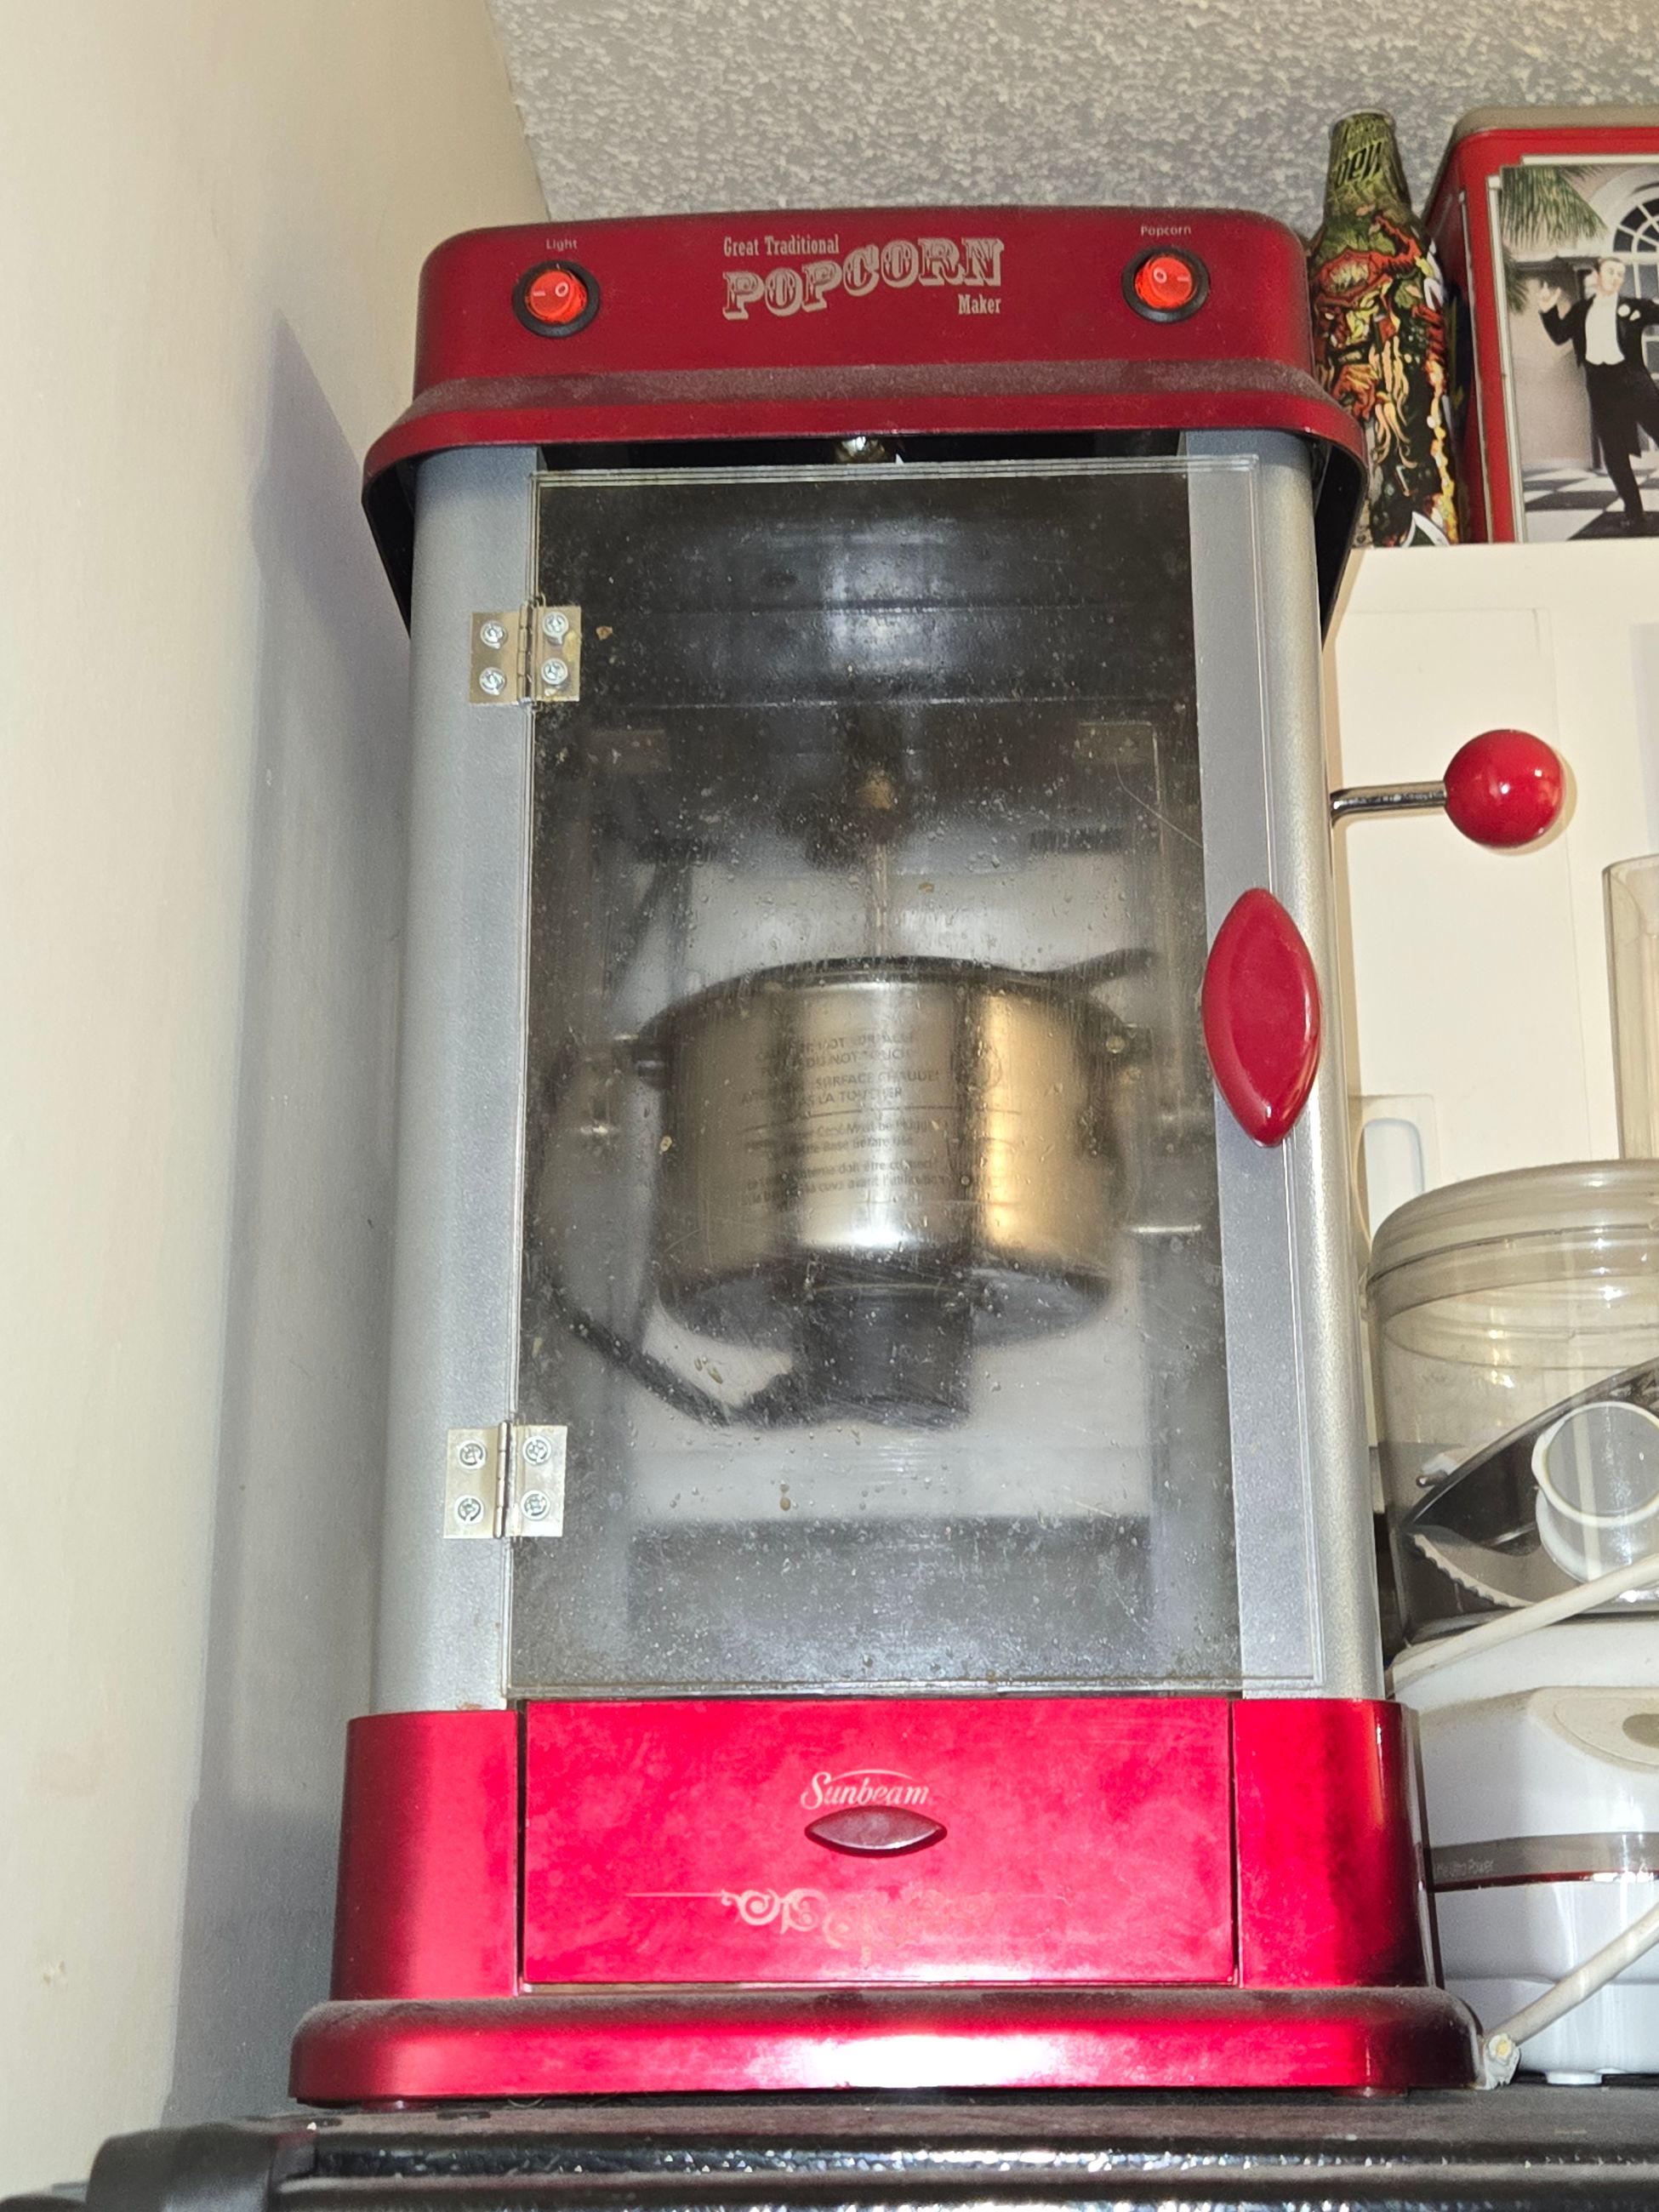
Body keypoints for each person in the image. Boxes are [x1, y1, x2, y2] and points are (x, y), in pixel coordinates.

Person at [1541, 257, 1659, 532]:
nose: (1616, 277)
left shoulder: (1635, 306)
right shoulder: (1581, 310)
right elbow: (1559, 335)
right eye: (1611, 272)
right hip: (1602, 389)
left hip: (1636, 386)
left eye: (1621, 273)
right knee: (1615, 456)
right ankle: (1635, 514)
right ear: (1597, 275)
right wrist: (1547, 310)